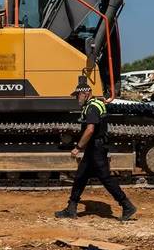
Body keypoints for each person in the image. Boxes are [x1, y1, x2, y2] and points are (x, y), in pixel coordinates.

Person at [54, 84, 137, 221]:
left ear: (86, 93)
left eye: (78, 95)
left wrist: (78, 147)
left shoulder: (91, 108)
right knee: (81, 176)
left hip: (96, 148)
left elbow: (90, 129)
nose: (77, 98)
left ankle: (127, 205)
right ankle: (71, 208)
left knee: (105, 178)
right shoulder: (96, 103)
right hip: (94, 148)